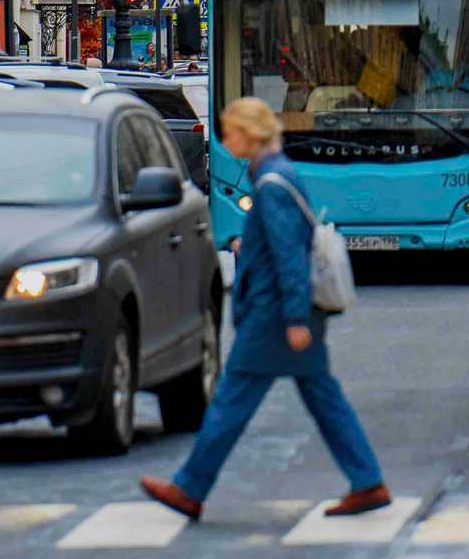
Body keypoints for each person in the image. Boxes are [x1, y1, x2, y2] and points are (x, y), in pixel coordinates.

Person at [140, 97, 388, 522]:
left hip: (273, 320)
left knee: (231, 402)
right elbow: (281, 245)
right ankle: (368, 482)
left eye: (231, 130)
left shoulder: (272, 184)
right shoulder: (278, 173)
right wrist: (246, 246)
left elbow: (290, 256)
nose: (225, 138)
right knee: (323, 399)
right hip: (287, 316)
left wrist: (294, 319)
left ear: (250, 135)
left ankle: (190, 489)